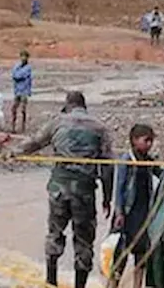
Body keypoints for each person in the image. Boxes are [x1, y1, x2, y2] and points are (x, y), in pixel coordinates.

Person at [14, 90, 114, 288]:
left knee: (55, 233)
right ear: (84, 106)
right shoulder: (99, 128)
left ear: (68, 105)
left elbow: (34, 143)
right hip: (84, 192)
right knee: (84, 241)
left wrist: (12, 152)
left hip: (59, 189)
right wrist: (107, 197)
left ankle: (50, 281)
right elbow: (108, 166)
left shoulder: (57, 122)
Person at [112, 124, 161, 288]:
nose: (149, 145)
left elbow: (161, 174)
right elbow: (118, 188)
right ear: (134, 140)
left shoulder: (148, 161)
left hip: (143, 214)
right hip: (127, 213)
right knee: (120, 255)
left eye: (151, 141)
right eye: (146, 140)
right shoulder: (126, 160)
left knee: (141, 256)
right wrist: (118, 212)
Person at [11, 50, 33, 133]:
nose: (23, 58)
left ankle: (22, 127)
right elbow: (14, 75)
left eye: (25, 56)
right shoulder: (17, 66)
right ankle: (13, 126)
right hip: (17, 90)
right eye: (22, 56)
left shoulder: (28, 68)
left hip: (24, 90)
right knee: (13, 108)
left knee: (23, 110)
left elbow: (21, 76)